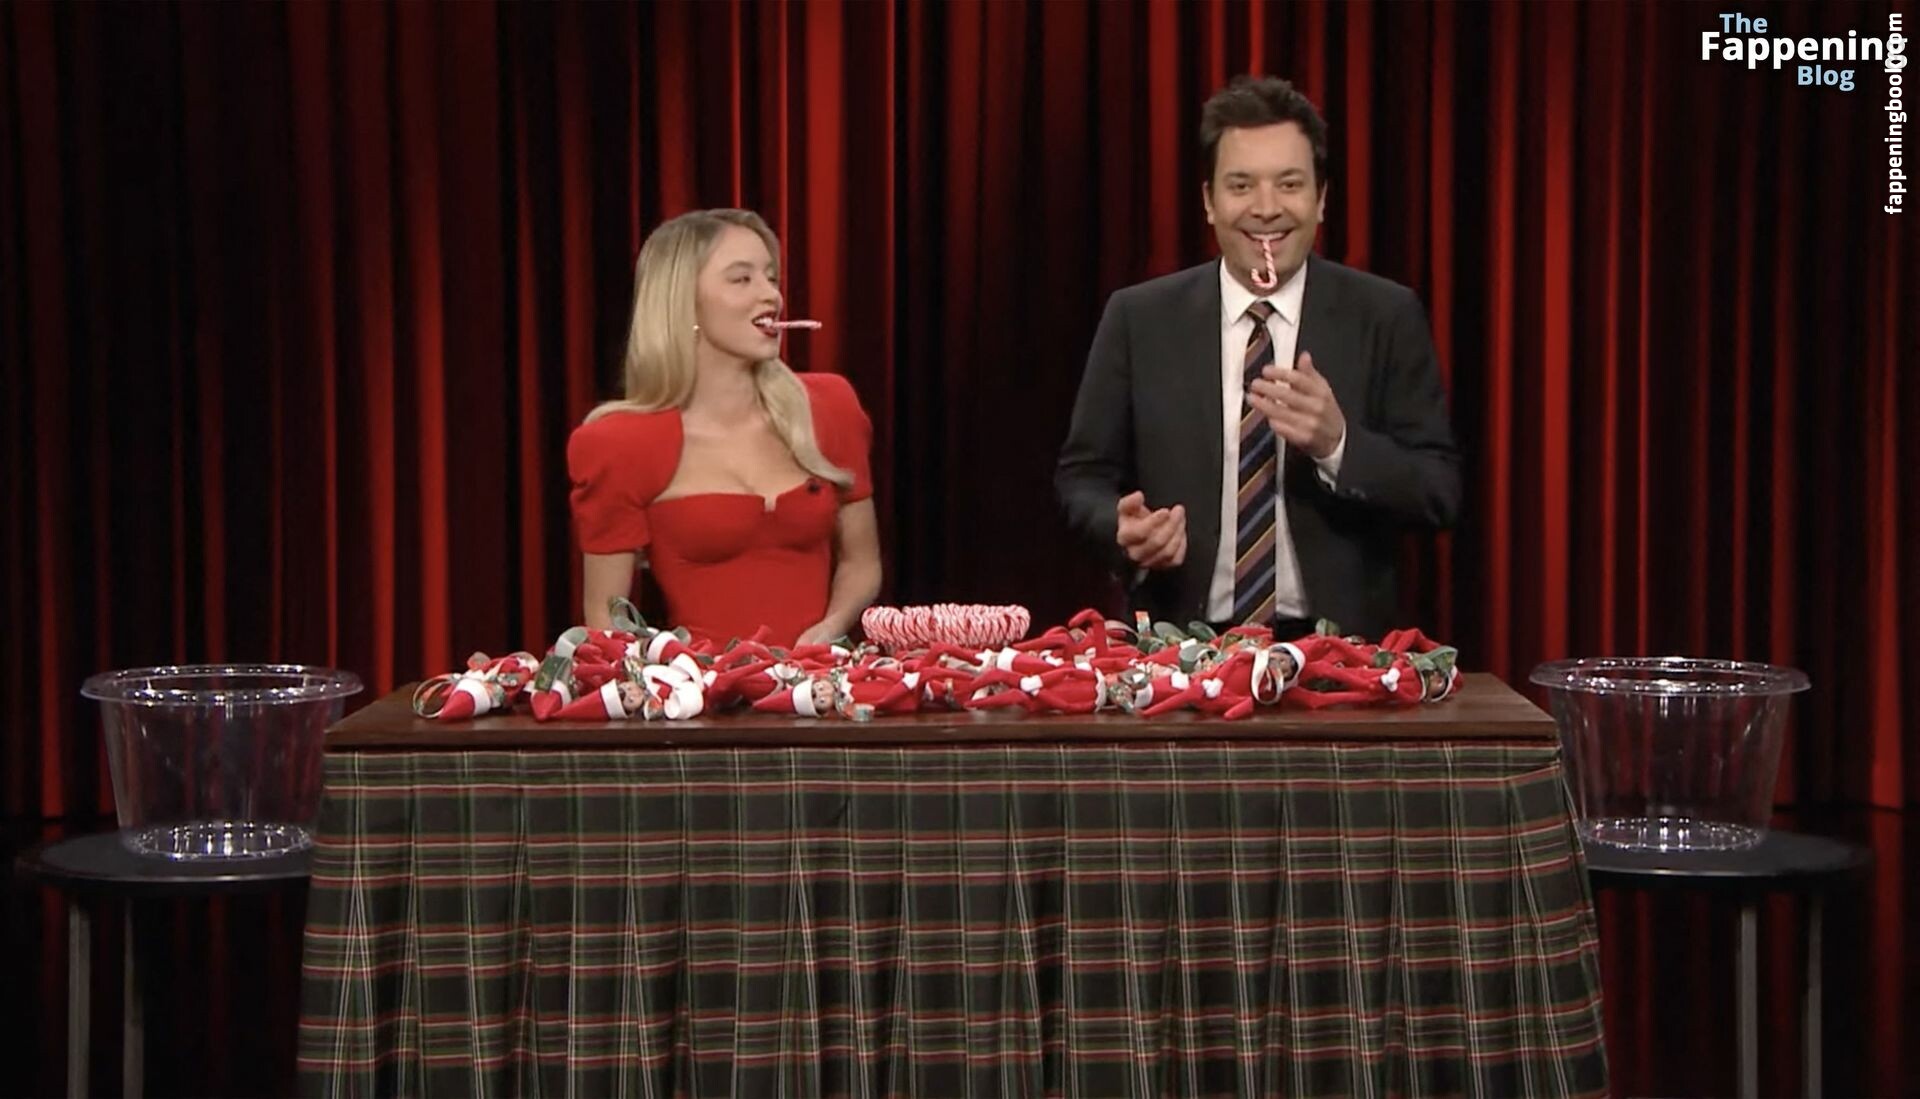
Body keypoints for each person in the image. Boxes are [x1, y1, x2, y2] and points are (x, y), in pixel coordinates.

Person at [1055, 76, 1461, 641]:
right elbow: (1082, 478)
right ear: (1209, 201)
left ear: (1321, 198)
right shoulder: (1138, 318)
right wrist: (1121, 529)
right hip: (1177, 652)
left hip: (1339, 657)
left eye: (1289, 184)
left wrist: (1338, 445)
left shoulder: (1386, 315)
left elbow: (1439, 491)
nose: (1266, 209)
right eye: (1241, 185)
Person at [567, 208, 882, 647]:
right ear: (684, 303)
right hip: (698, 685)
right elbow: (606, 619)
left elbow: (861, 564)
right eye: (741, 279)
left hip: (821, 680)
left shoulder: (828, 407)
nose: (771, 296)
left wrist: (827, 632)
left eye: (771, 277)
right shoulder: (620, 444)